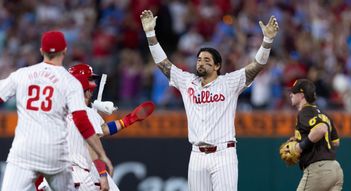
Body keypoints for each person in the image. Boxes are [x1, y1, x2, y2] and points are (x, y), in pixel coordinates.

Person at [140, 10, 279, 191]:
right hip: (197, 155)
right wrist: (150, 34)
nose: (201, 62)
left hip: (223, 153)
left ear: (217, 66)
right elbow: (163, 64)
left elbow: (256, 66)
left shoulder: (229, 82)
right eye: (199, 59)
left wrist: (267, 41)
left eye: (207, 60)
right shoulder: (187, 82)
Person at [0, 31, 113, 191]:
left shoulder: (22, 75)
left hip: (23, 151)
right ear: (64, 51)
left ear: (41, 51)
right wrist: (102, 155)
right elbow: (82, 122)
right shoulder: (70, 82)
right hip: (54, 154)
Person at [36, 63, 155, 191]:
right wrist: (103, 174)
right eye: (90, 80)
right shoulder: (85, 113)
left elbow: (103, 129)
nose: (94, 84)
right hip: (78, 175)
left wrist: (128, 120)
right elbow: (92, 145)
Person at [288, 79, 344, 190]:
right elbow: (336, 142)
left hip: (318, 170)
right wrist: (301, 138)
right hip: (335, 169)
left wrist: (300, 147)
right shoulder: (323, 114)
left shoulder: (304, 112)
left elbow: (321, 129)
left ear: (301, 95)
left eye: (294, 92)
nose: (291, 95)